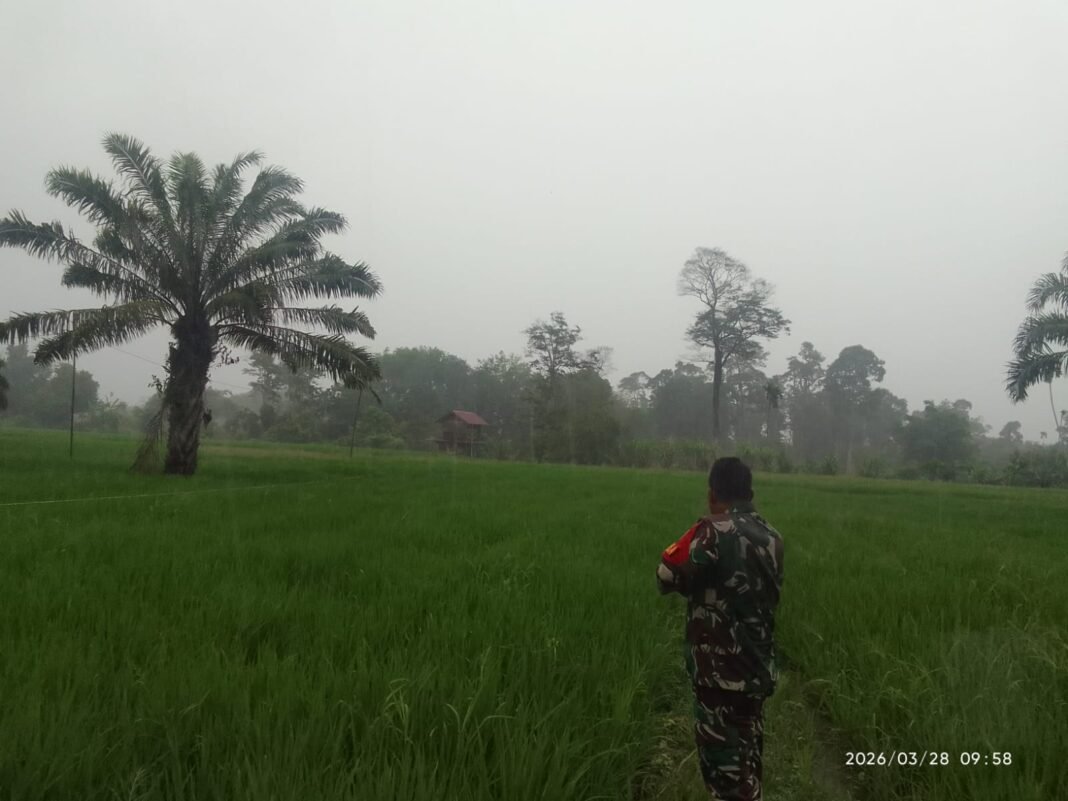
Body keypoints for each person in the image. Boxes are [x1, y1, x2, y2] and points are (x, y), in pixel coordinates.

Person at [656, 456, 784, 801]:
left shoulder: (711, 532)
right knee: (747, 756)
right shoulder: (773, 538)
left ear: (713, 494)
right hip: (756, 669)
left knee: (726, 778)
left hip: (719, 676)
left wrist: (701, 526)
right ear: (751, 493)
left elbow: (666, 575)